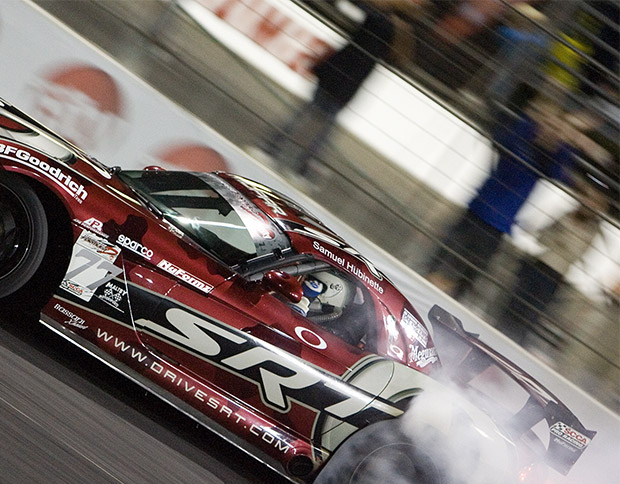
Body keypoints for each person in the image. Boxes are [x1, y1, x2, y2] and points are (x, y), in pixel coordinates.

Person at [425, 86, 577, 299]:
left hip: (498, 228)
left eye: (556, 128)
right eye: (546, 123)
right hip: (476, 212)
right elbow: (507, 137)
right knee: (440, 262)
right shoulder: (519, 139)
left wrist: (565, 139)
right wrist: (532, 119)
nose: (550, 130)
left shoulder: (548, 162)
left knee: (467, 279)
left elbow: (561, 168)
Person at [263, 0, 424, 176]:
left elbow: (398, 55)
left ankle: (277, 152)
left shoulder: (390, 25)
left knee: (311, 119)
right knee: (318, 124)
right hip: (343, 78)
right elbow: (398, 56)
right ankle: (293, 162)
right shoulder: (386, 22)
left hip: (340, 76)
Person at [495, 153, 616, 344]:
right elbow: (543, 236)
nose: (589, 203)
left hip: (555, 276)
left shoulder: (593, 230)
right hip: (538, 264)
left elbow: (574, 251)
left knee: (528, 316)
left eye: (595, 202)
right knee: (512, 305)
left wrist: (560, 239)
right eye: (588, 198)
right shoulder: (567, 214)